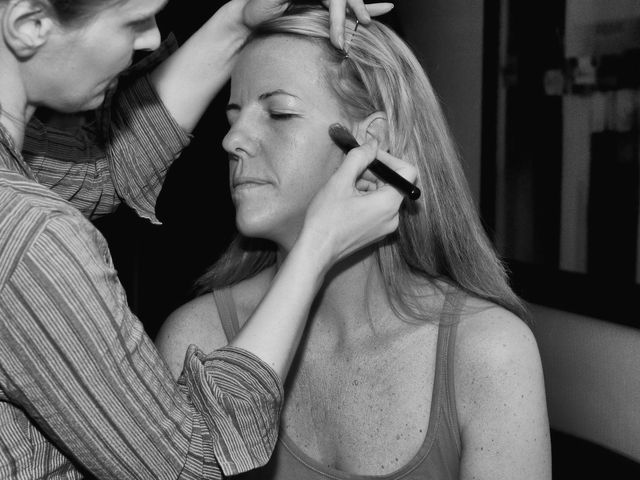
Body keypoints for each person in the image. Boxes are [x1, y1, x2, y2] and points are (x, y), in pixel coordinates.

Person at [0, 0, 414, 478]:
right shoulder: (34, 236)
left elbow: (99, 174)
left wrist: (238, 18)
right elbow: (191, 463)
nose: (152, 39)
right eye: (133, 20)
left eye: (279, 112)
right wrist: (315, 249)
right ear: (29, 25)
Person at [157, 6, 552, 480]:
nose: (232, 140)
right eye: (233, 116)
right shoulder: (198, 341)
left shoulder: (489, 352)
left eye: (278, 112)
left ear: (369, 145)